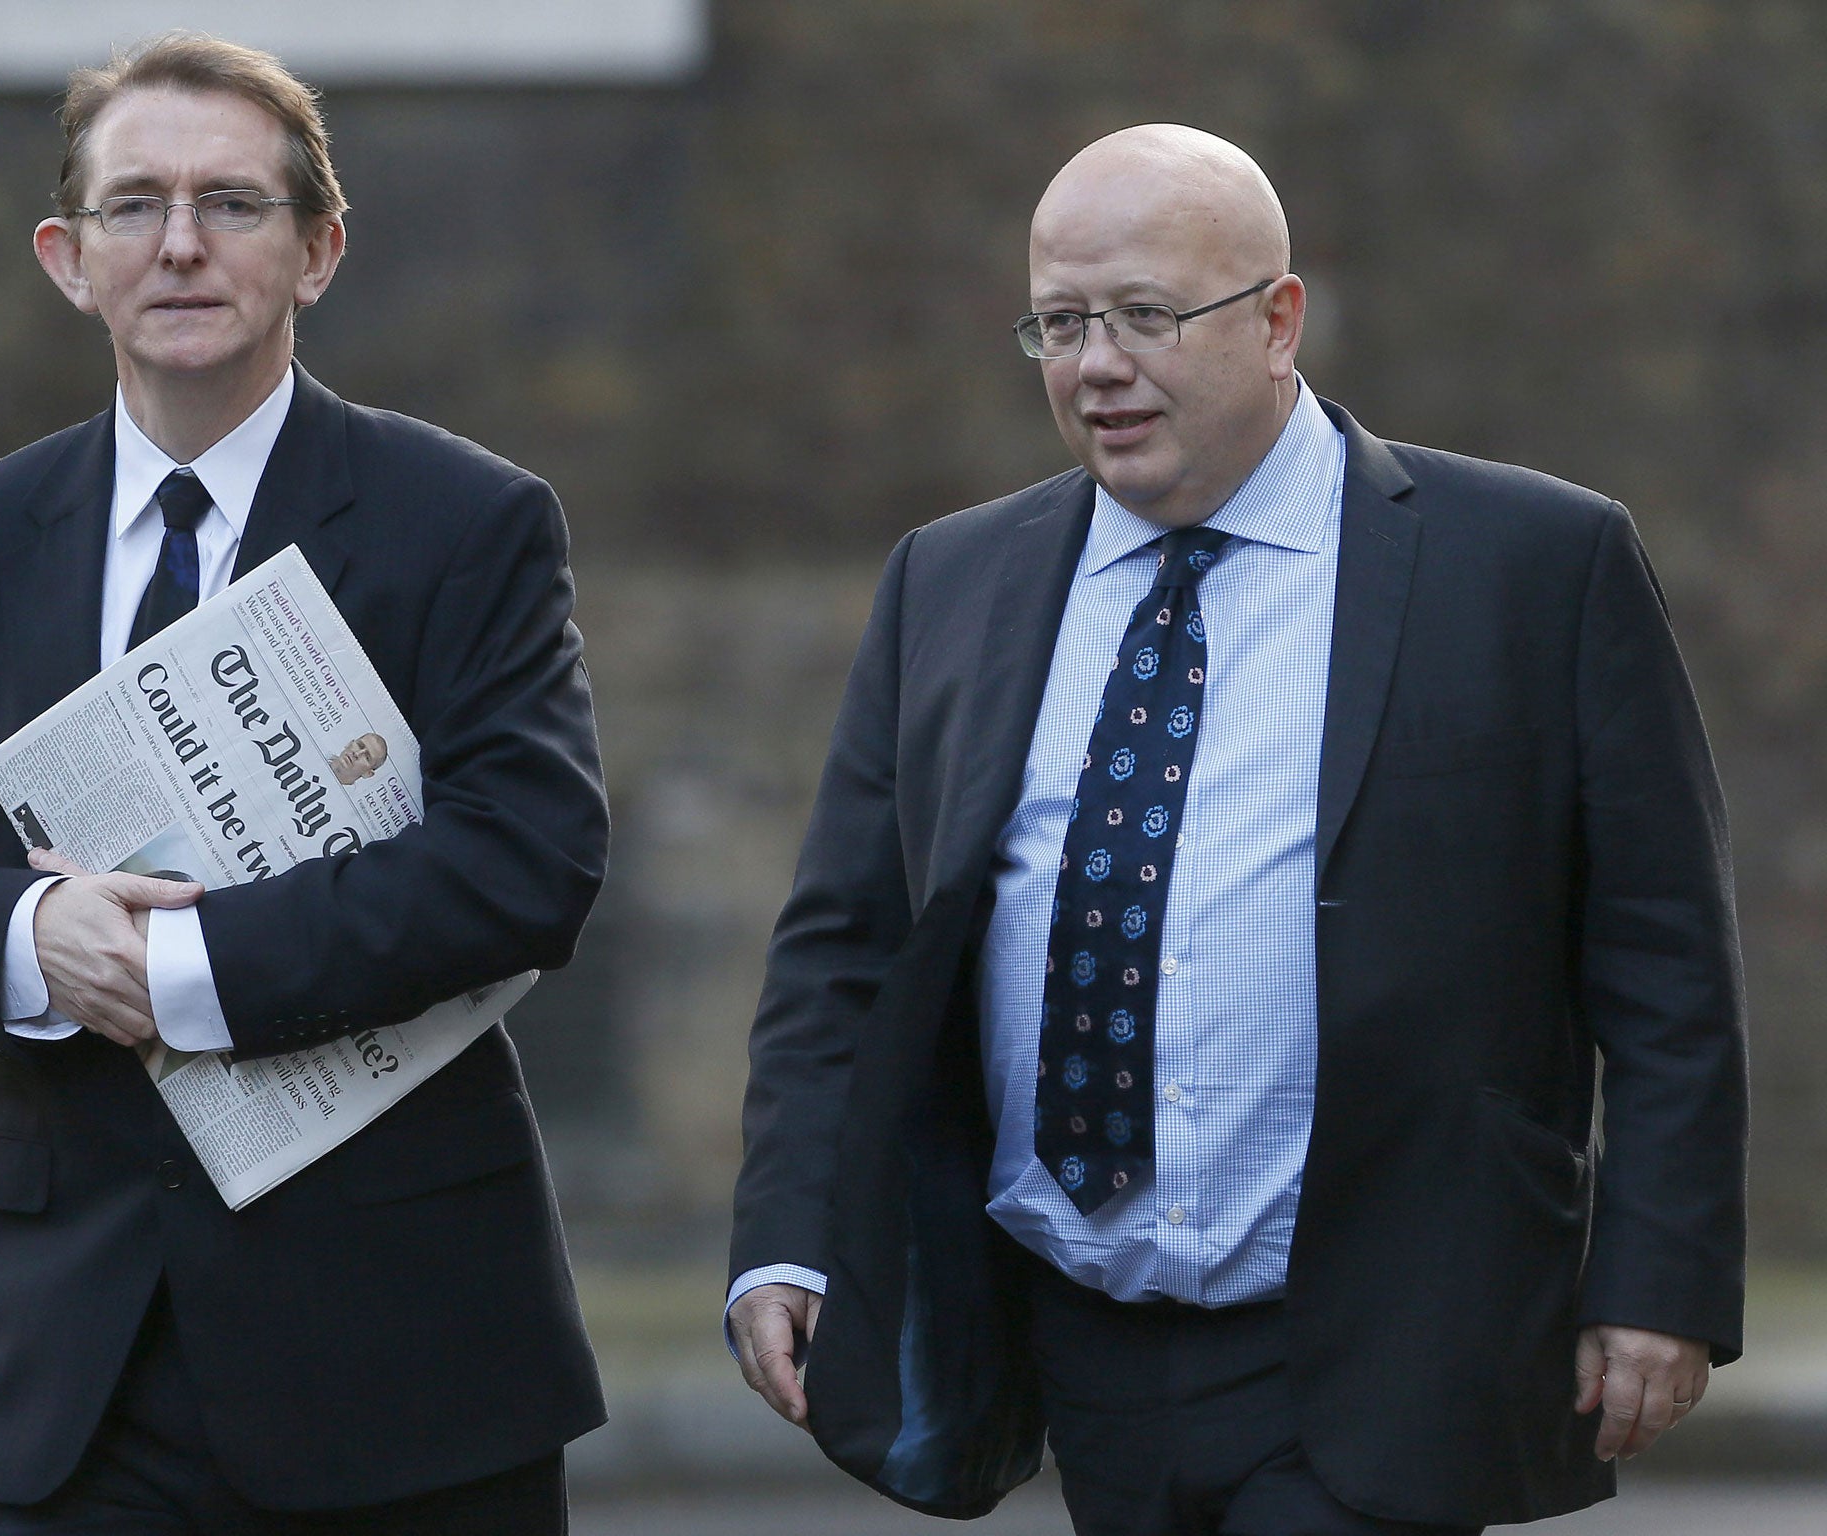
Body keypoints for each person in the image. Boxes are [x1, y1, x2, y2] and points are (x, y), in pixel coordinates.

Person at [726, 124, 1746, 1536]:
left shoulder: (1530, 566)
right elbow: (846, 952)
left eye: (1145, 315)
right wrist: (787, 1233)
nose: (1096, 364)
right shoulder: (952, 582)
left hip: (1387, 1327)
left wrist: (1659, 1277)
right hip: (1071, 1337)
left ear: (1278, 322)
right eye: (1062, 322)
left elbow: (1666, 964)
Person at [0, 33, 607, 1536]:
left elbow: (530, 860)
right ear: (69, 258)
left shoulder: (466, 521)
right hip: (63, 1383)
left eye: (232, 204)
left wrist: (166, 966)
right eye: (134, 207)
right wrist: (30, 945)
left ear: (319, 249)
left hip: (401, 1375)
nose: (180, 244)